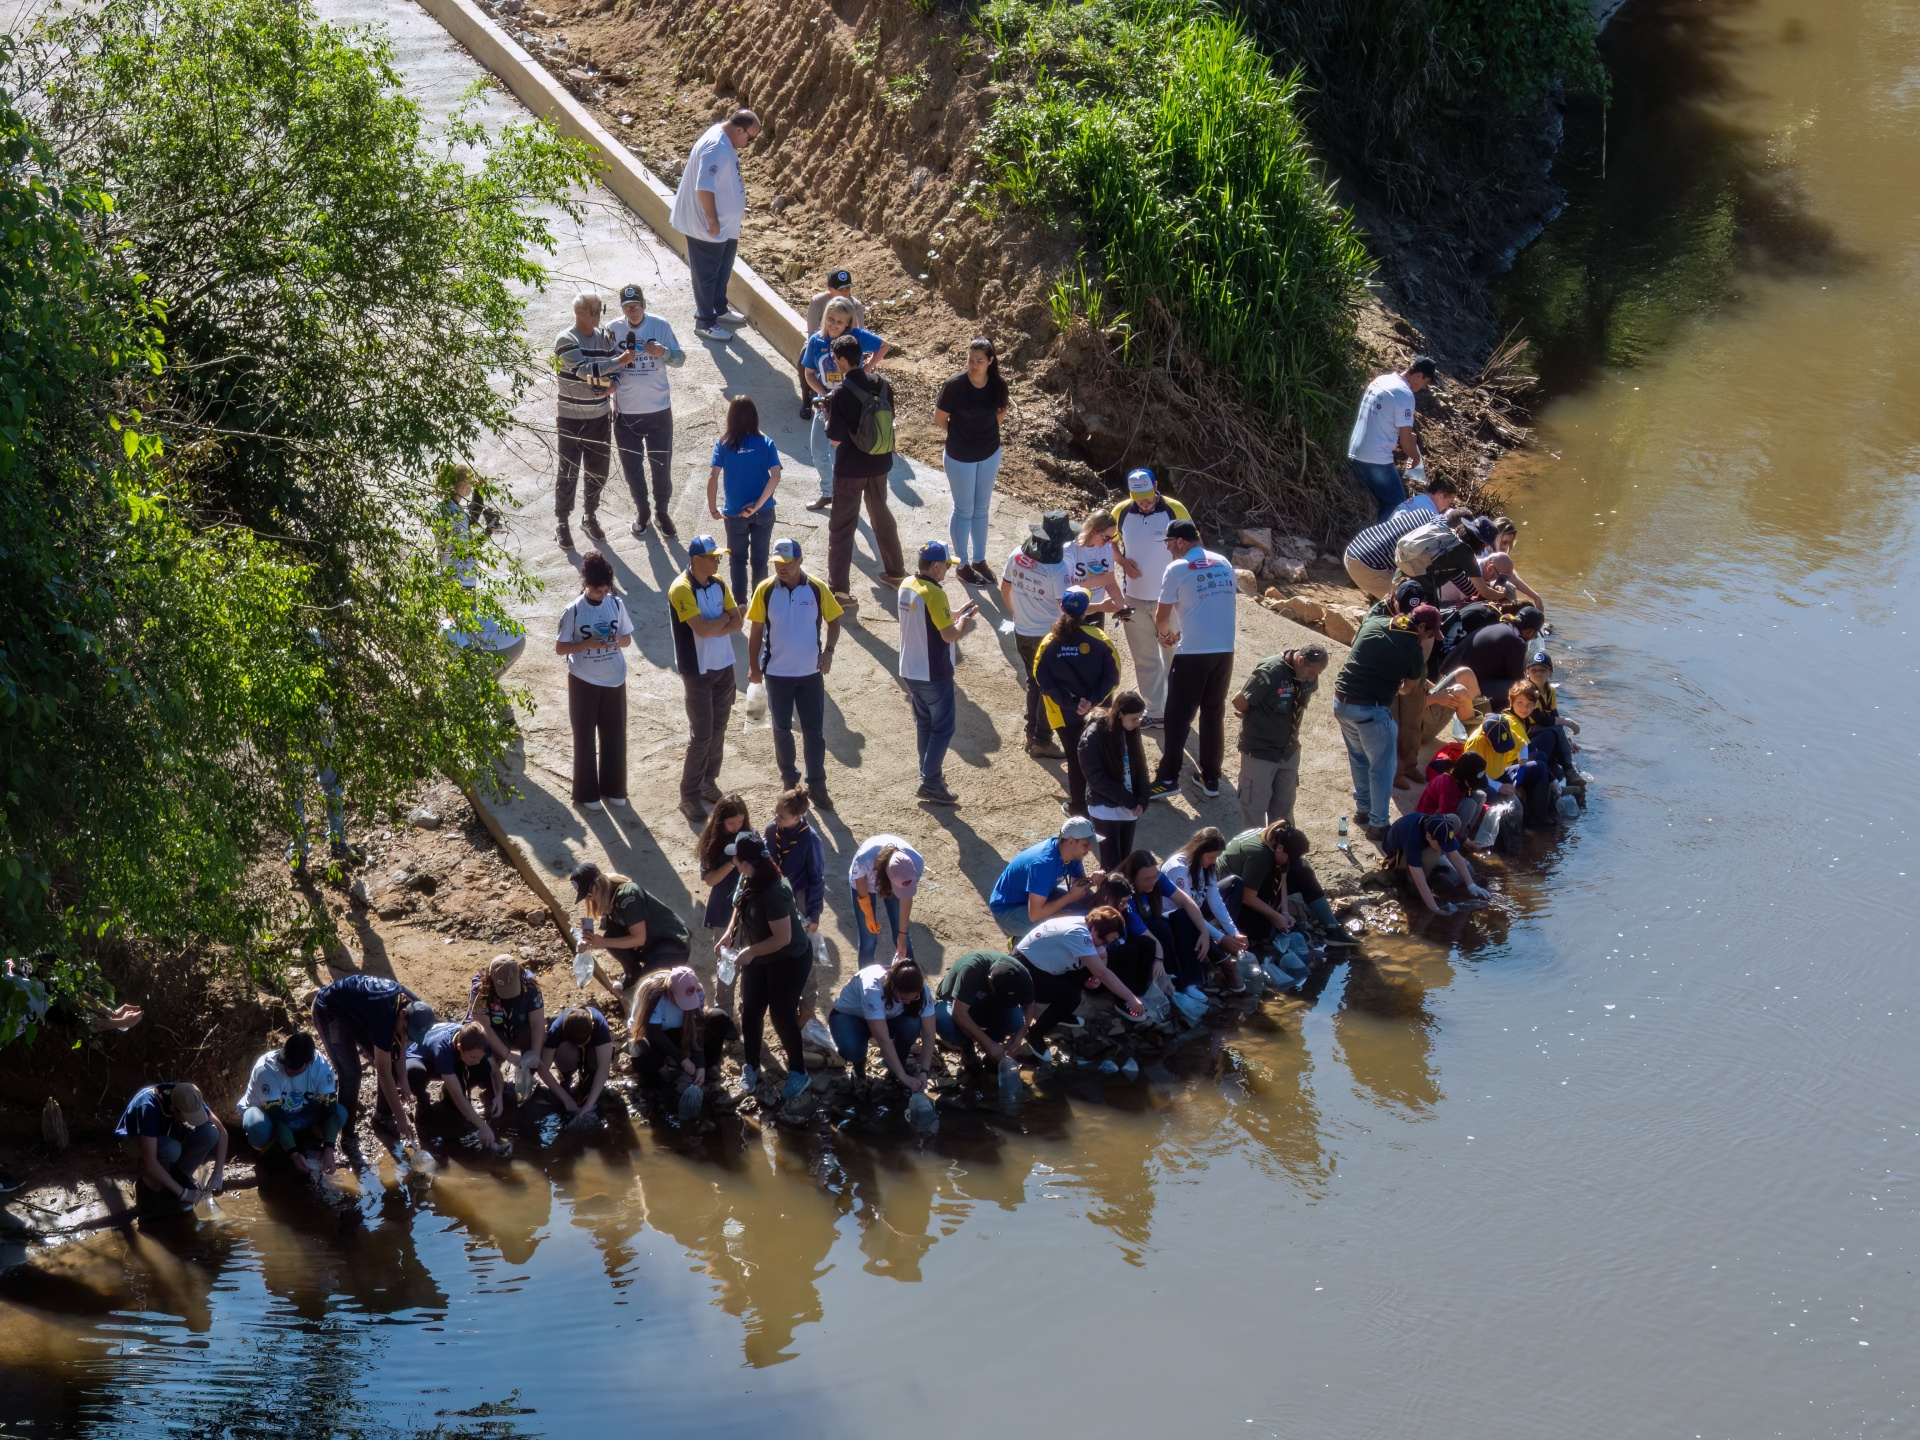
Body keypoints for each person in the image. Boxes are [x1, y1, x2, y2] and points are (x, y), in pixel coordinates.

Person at [717, 830, 814, 1099]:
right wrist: (729, 933)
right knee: (751, 1009)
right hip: (759, 951)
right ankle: (751, 1065)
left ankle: (799, 1073)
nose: (734, 862)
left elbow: (783, 939)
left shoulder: (774, 892)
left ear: (747, 862)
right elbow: (739, 903)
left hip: (788, 957)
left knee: (781, 1014)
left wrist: (748, 951)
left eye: (736, 859)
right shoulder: (749, 875)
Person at [1332, 602, 1440, 843]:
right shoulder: (1413, 650)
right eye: (1430, 633)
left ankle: (1362, 810)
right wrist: (1394, 686)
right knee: (1382, 768)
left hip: (1341, 702)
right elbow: (1409, 689)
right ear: (1421, 626)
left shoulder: (1374, 622)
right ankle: (1378, 825)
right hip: (1371, 710)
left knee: (1358, 758)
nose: (1430, 638)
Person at [746, 537, 843, 804]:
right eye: (777, 562)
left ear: (800, 561)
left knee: (814, 731)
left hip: (810, 674)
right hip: (777, 675)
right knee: (781, 729)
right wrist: (754, 667)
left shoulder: (816, 588)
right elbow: (755, 631)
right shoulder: (765, 590)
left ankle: (817, 785)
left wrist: (829, 652)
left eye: (787, 562)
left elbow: (834, 622)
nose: (782, 567)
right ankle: (790, 783)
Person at [1148, 519, 1238, 802]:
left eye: (1168, 544)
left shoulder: (1177, 568)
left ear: (1180, 542)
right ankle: (1211, 778)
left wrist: (1167, 636)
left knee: (1177, 717)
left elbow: (1161, 617)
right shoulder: (1223, 562)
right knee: (1213, 714)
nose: (1167, 549)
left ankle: (1166, 779)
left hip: (1192, 653)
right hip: (1224, 651)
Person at [822, 333, 906, 599]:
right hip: (880, 464)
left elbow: (835, 439)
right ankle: (896, 573)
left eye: (836, 359)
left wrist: (827, 416)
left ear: (845, 360)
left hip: (850, 469)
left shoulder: (840, 393)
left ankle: (839, 591)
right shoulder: (882, 384)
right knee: (881, 517)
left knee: (842, 526)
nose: (834, 363)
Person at [897, 540, 978, 805]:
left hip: (910, 670)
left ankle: (930, 779)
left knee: (925, 726)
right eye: (945, 566)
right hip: (933, 672)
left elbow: (928, 617)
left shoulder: (907, 585)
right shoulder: (934, 593)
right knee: (943, 729)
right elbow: (948, 634)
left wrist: (954, 613)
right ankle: (931, 782)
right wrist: (963, 624)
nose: (946, 571)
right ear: (934, 565)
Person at [669, 535, 743, 823]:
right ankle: (688, 795)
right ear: (696, 559)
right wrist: (722, 621)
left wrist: (719, 623)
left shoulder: (719, 583)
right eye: (713, 556)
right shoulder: (681, 589)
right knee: (701, 735)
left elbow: (737, 622)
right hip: (697, 671)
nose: (718, 560)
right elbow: (702, 630)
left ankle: (708, 782)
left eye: (719, 556)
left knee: (720, 728)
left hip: (724, 666)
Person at [310, 974, 435, 1145]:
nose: (407, 1036)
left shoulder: (416, 1008)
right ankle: (348, 1136)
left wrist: (404, 1079)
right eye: (407, 1031)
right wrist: (401, 1118)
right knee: (351, 1074)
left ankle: (382, 1117)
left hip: (359, 1012)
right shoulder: (385, 1016)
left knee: (392, 1057)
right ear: (403, 1014)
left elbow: (401, 1042)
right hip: (329, 1009)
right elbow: (383, 1072)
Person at [670, 108, 761, 340]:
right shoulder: (716, 147)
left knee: (722, 269)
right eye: (749, 138)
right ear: (739, 129)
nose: (748, 143)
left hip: (725, 226)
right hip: (707, 226)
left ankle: (719, 309)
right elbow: (704, 187)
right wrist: (712, 220)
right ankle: (705, 321)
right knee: (706, 274)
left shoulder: (724, 140)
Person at [555, 551, 634, 812]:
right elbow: (561, 648)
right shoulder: (574, 610)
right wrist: (588, 643)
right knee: (585, 736)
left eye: (606, 589)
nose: (603, 594)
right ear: (586, 584)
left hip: (614, 677)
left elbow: (626, 639)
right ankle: (587, 792)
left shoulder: (617, 604)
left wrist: (614, 640)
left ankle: (614, 788)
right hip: (583, 679)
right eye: (598, 590)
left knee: (615, 734)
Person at [1111, 469, 1190, 725]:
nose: (1144, 503)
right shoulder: (1122, 511)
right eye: (1138, 498)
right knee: (1144, 658)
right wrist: (1122, 561)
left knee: (1172, 653)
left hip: (1170, 599)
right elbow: (1108, 540)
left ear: (1156, 486)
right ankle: (1155, 712)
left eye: (1148, 496)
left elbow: (1192, 545)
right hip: (1133, 599)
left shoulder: (1174, 509)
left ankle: (1175, 708)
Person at [606, 282, 685, 540]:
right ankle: (643, 513)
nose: (632, 311)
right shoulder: (613, 329)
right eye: (627, 307)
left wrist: (663, 352)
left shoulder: (660, 325)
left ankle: (662, 513)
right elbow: (606, 366)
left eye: (636, 306)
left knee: (661, 466)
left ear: (644, 305)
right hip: (626, 413)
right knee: (632, 469)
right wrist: (616, 373)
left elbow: (680, 358)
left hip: (659, 411)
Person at [1035, 588, 1121, 815]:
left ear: (1062, 608)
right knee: (1100, 755)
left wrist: (1073, 703)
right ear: (1086, 611)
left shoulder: (1049, 641)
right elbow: (1113, 677)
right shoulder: (1101, 639)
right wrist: (1091, 702)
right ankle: (1105, 803)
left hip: (1064, 713)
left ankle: (1078, 808)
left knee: (1075, 759)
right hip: (1098, 712)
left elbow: (1041, 679)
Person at [800, 297, 889, 512]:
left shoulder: (855, 337)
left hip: (853, 405)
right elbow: (809, 374)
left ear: (848, 324)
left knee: (848, 453)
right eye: (830, 319)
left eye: (840, 322)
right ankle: (828, 493)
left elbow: (884, 345)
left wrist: (866, 370)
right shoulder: (815, 341)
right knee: (819, 452)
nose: (833, 324)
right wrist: (824, 396)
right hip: (827, 405)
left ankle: (848, 495)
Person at [1001, 511, 1075, 757]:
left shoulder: (1017, 554)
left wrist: (1016, 614)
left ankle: (1031, 735)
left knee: (1034, 683)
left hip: (1022, 631)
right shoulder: (1058, 569)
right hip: (1049, 636)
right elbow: (1065, 607)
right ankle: (1042, 739)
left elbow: (1005, 588)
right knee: (1049, 687)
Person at [936, 337, 1010, 582]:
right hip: (960, 456)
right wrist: (962, 436)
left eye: (979, 361)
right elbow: (940, 419)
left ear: (990, 361)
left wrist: (980, 437)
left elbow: (1000, 415)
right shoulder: (954, 385)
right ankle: (961, 564)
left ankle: (979, 559)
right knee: (964, 509)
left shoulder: (998, 385)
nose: (973, 365)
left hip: (989, 453)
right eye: (970, 359)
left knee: (981, 509)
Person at [1015, 908, 1141, 1050]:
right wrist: (1131, 998)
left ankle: (1059, 1014)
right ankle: (1035, 1034)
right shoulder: (1078, 934)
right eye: (1103, 940)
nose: (1104, 944)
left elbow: (1103, 956)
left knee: (1087, 970)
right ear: (1093, 929)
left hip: (1042, 967)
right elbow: (1104, 973)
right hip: (1024, 971)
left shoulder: (1089, 927)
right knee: (1071, 997)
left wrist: (1095, 977)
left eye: (1108, 942)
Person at [1233, 643, 1329, 829]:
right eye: (1312, 672)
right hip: (1260, 753)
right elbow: (1239, 701)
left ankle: (1281, 852)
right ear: (1300, 660)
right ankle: (1257, 854)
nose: (1313, 678)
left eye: (1317, 674)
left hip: (1288, 752)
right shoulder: (1271, 672)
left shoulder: (1308, 676)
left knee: (1284, 809)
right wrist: (1252, 715)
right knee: (1254, 810)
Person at [552, 292, 619, 549]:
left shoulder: (604, 338)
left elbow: (616, 374)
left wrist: (612, 384)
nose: (597, 316)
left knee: (598, 470)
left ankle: (589, 515)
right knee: (568, 471)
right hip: (571, 418)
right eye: (593, 311)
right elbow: (582, 372)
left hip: (599, 417)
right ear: (578, 312)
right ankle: (562, 522)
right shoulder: (565, 339)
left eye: (599, 310)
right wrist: (615, 367)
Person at [239, 1032, 347, 1176]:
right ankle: (269, 1149)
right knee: (258, 1128)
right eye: (286, 1062)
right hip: (268, 1118)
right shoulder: (266, 1069)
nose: (288, 1069)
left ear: (310, 1062)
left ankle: (309, 1140)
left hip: (301, 1112)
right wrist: (293, 1154)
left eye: (294, 1067)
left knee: (340, 1113)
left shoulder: (321, 1067)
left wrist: (329, 1147)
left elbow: (329, 1110)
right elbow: (278, 1118)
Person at [570, 863, 692, 989]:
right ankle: (633, 973)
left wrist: (603, 942)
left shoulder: (628, 895)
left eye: (589, 894)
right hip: (650, 944)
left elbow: (639, 939)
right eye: (585, 897)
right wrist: (591, 942)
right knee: (611, 935)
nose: (589, 900)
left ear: (598, 882)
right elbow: (614, 934)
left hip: (671, 946)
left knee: (648, 988)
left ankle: (650, 975)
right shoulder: (608, 897)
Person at [707, 396, 782, 601]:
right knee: (760, 560)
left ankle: (740, 604)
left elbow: (713, 476)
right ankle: (760, 605)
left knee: (737, 560)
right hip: (764, 511)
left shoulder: (723, 444)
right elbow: (775, 476)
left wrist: (714, 510)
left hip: (734, 513)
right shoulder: (766, 443)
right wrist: (757, 506)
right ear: (754, 417)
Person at [1346, 356, 1438, 521]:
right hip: (1374, 459)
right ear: (1419, 375)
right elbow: (1405, 443)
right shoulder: (1404, 394)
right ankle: (1378, 544)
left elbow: (1383, 420)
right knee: (1396, 505)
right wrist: (1416, 457)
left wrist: (1410, 437)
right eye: (1427, 382)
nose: (1425, 387)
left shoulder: (1382, 380)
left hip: (1355, 450)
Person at [1116, 849, 1217, 996]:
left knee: (1183, 916)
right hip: (1136, 938)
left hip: (1153, 928)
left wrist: (1204, 931)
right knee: (1161, 928)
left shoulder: (1157, 879)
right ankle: (1177, 987)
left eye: (1154, 877)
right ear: (1132, 877)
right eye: (1146, 879)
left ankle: (1192, 981)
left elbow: (1186, 901)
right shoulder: (1124, 891)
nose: (1152, 882)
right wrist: (1158, 957)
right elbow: (1137, 927)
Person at [1162, 828, 1252, 992]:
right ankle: (1221, 958)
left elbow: (1215, 900)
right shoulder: (1178, 870)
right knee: (1190, 918)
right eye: (1211, 857)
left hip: (1195, 909)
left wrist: (1232, 931)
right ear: (1199, 850)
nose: (1213, 861)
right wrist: (1220, 936)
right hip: (1175, 918)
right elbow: (1189, 910)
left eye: (1215, 857)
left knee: (1234, 883)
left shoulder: (1207, 867)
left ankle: (1220, 940)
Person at [1341, 477, 1460, 598]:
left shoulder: (1418, 500)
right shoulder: (1431, 515)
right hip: (1369, 563)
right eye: (1449, 502)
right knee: (1404, 599)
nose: (1447, 507)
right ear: (1440, 496)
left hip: (1359, 548)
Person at [830, 958, 938, 1091]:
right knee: (852, 1049)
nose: (909, 1002)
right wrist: (903, 1077)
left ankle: (897, 1063)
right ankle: (859, 1067)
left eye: (914, 998)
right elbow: (884, 1040)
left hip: (887, 1017)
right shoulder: (873, 988)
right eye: (903, 998)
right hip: (851, 1017)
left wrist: (924, 1071)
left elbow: (929, 1033)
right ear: (893, 987)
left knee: (912, 1024)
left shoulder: (923, 991)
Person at [627, 968, 736, 1098]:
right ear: (670, 992)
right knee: (641, 1051)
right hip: (651, 1034)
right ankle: (657, 1081)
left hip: (680, 1031)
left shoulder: (697, 990)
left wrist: (700, 1064)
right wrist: (682, 1059)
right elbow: (652, 1032)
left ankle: (706, 1067)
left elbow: (697, 1026)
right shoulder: (654, 994)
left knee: (718, 1017)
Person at [117, 1081, 226, 1210]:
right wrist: (183, 1194)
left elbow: (222, 1132)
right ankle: (147, 1184)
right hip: (133, 1140)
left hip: (170, 1133)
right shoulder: (149, 1106)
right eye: (188, 1117)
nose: (191, 1120)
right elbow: (150, 1161)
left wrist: (218, 1172)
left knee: (211, 1133)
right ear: (174, 1109)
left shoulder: (189, 1096)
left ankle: (176, 1179)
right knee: (171, 1149)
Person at [988, 815, 1100, 939]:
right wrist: (1069, 897)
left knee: (1087, 897)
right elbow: (1034, 915)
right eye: (1086, 844)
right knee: (1060, 930)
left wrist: (1092, 880)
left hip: (1038, 897)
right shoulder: (1043, 864)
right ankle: (1018, 943)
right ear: (1071, 841)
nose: (1089, 849)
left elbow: (1078, 884)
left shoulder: (1070, 852)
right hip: (1008, 911)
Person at [1079, 691, 1150, 867]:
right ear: (1119, 714)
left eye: (1140, 718)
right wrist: (1129, 800)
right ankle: (1109, 895)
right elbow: (1097, 778)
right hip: (1105, 807)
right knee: (1111, 865)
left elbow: (1141, 765)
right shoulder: (1092, 737)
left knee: (1124, 862)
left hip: (1129, 806)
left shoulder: (1131, 729)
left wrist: (1143, 798)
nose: (1137, 723)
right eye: (1134, 718)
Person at [1470, 684, 1556, 826]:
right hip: (1483, 780)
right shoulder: (1475, 743)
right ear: (1485, 737)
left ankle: (1540, 821)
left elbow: (1522, 744)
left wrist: (1522, 765)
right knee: (1492, 797)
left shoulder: (1504, 726)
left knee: (1539, 766)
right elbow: (1474, 776)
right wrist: (1498, 786)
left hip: (1502, 773)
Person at [407, 1020, 502, 1148]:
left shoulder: (479, 1041)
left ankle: (482, 1101)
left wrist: (499, 1096)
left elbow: (496, 1071)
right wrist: (483, 1126)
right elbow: (457, 1095)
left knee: (485, 1066)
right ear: (459, 1048)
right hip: (422, 1060)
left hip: (454, 1058)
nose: (477, 1061)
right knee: (415, 1074)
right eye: (473, 1057)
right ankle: (423, 1105)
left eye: (480, 1056)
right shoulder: (443, 1050)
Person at [934, 951, 1033, 1069]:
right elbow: (958, 1013)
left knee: (1016, 1020)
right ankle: (967, 1046)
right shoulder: (972, 969)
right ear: (989, 979)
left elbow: (1030, 1004)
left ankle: (992, 1050)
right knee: (943, 1022)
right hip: (955, 1003)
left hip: (988, 1006)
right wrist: (988, 1044)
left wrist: (1020, 1035)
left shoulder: (1022, 975)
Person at [1377, 812, 1488, 915]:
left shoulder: (1437, 826)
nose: (1445, 849)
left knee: (1447, 867)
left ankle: (1431, 868)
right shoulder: (1414, 839)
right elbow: (1420, 880)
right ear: (1428, 836)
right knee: (1431, 856)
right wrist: (1435, 908)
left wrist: (1471, 885)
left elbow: (1454, 855)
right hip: (1395, 856)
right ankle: (1408, 882)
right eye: (1443, 845)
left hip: (1421, 846)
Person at [467, 956, 548, 1096]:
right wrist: (508, 1055)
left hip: (519, 1028)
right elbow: (483, 1026)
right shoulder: (480, 989)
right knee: (484, 1045)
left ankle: (528, 1076)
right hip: (495, 1032)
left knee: (539, 1037)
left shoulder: (531, 985)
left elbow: (537, 1022)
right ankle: (490, 1083)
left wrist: (534, 1052)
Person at [1444, 605, 1546, 712]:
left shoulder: (1500, 627)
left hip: (1446, 679)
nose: (1533, 638)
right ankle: (1494, 720)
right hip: (1458, 688)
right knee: (1519, 689)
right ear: (1530, 631)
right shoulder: (1516, 641)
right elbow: (1518, 680)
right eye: (1535, 635)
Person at [848, 833, 924, 965]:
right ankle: (865, 980)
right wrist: (868, 915)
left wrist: (902, 935)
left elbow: (906, 898)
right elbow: (860, 882)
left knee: (902, 939)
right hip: (865, 882)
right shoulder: (864, 859)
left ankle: (909, 978)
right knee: (868, 939)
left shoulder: (916, 863)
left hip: (892, 879)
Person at [1275, 828, 1359, 947]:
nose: (1297, 860)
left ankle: (1333, 928)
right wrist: (1280, 915)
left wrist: (1285, 913)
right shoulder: (1261, 858)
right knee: (1303, 873)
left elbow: (1284, 877)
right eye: (1294, 857)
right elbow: (1251, 897)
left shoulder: (1279, 840)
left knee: (1303, 871)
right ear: (1280, 848)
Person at [800, 268, 865, 418]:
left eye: (848, 288)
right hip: (821, 339)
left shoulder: (856, 305)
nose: (845, 292)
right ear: (829, 289)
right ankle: (806, 400)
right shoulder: (818, 301)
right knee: (803, 358)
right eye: (840, 288)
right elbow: (812, 333)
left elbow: (858, 333)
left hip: (845, 343)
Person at [765, 784, 827, 937]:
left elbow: (816, 877)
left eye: (781, 817)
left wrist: (814, 913)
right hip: (772, 888)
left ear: (798, 817)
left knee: (795, 934)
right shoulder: (772, 830)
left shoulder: (810, 840)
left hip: (797, 895)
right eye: (775, 813)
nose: (775, 819)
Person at [542, 1006, 614, 1119]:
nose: (580, 1046)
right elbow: (542, 1068)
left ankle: (590, 1078)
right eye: (577, 1044)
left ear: (592, 1026)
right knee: (566, 1051)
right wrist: (566, 1099)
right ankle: (566, 1076)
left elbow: (604, 1067)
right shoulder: (556, 1028)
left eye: (582, 1043)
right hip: (569, 1051)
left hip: (593, 1050)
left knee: (596, 1057)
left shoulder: (600, 1026)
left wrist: (589, 1105)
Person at [696, 796, 752, 936]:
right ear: (720, 821)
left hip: (748, 903)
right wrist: (733, 862)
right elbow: (710, 880)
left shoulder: (749, 834)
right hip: (724, 906)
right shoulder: (711, 844)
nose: (737, 826)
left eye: (741, 821)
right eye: (731, 823)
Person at [1063, 510, 1125, 625]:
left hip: (1098, 607)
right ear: (1093, 531)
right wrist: (1096, 581)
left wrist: (1122, 607)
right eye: (1106, 537)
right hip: (1074, 607)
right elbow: (1066, 590)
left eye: (1111, 537)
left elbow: (1110, 582)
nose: (1108, 541)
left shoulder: (1107, 548)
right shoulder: (1070, 550)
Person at [1418, 749, 1490, 836]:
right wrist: (1462, 840)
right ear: (1465, 776)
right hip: (1430, 819)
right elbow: (1444, 819)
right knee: (1470, 804)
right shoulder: (1448, 785)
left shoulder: (1460, 779)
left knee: (1480, 796)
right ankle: (1455, 840)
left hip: (1450, 808)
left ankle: (1465, 834)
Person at [1479, 517, 1545, 608]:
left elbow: (1514, 579)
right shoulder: (1483, 555)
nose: (1506, 547)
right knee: (1508, 587)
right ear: (1495, 537)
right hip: (1478, 592)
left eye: (1509, 543)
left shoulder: (1498, 556)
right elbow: (1511, 580)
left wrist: (1536, 597)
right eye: (1504, 542)